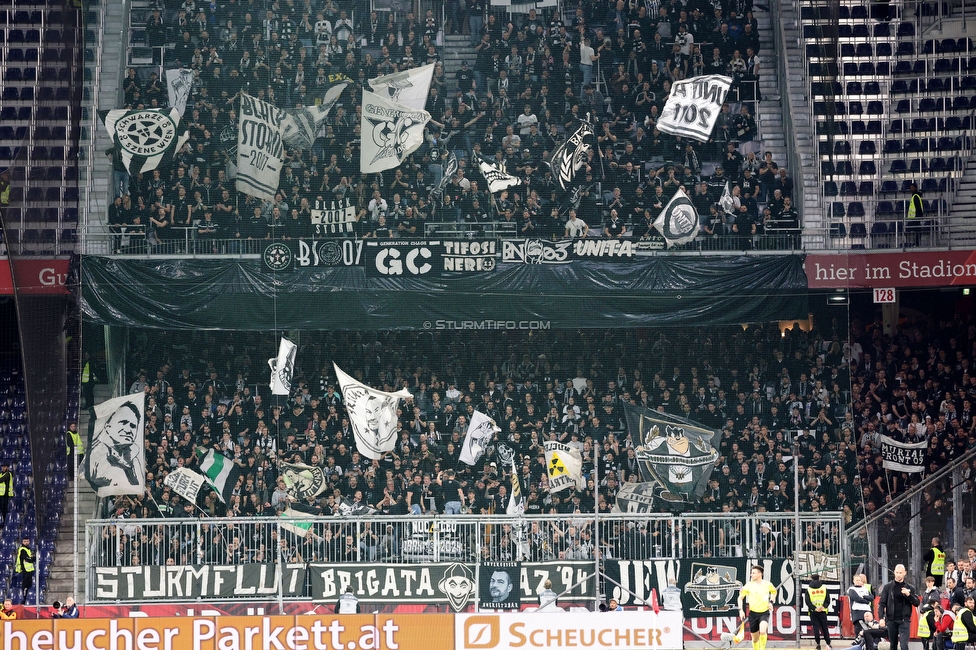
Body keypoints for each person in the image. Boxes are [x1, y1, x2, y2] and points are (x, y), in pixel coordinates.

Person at [84, 400, 144, 492]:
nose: (128, 430)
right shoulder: (98, 451)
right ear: (108, 426)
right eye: (123, 423)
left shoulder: (135, 456)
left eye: (133, 426)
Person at [878, 564, 920, 650]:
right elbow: (882, 603)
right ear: (894, 572)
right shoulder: (888, 587)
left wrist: (909, 595)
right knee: (893, 645)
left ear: (905, 573)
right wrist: (881, 618)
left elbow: (917, 603)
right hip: (891, 620)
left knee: (904, 645)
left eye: (900, 573)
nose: (898, 574)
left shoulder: (910, 587)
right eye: (897, 572)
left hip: (904, 620)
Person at [738, 565, 777, 650]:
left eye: (753, 573)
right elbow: (740, 598)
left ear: (760, 574)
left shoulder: (767, 584)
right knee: (755, 639)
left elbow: (774, 592)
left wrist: (771, 602)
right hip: (753, 614)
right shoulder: (748, 585)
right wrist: (741, 610)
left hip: (764, 613)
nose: (751, 575)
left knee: (763, 630)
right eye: (751, 573)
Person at [806, 573, 832, 650]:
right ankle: (828, 644)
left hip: (813, 612)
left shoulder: (808, 589)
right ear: (819, 578)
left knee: (816, 628)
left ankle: (818, 644)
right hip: (823, 611)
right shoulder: (824, 588)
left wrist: (814, 608)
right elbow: (828, 600)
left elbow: (807, 602)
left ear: (811, 579)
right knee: (825, 628)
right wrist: (823, 607)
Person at [15, 537, 35, 602]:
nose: (26, 542)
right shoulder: (23, 549)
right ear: (22, 542)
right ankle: (24, 599)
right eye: (24, 541)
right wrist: (32, 559)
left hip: (28, 570)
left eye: (27, 541)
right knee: (25, 586)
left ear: (29, 541)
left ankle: (26, 599)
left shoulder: (28, 549)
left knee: (28, 585)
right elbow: (28, 559)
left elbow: (31, 557)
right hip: (25, 570)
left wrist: (32, 558)